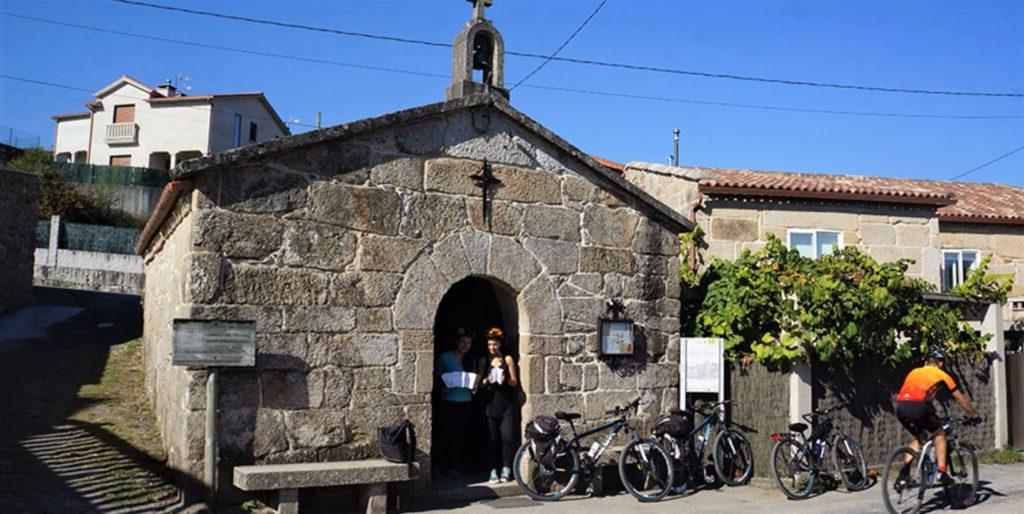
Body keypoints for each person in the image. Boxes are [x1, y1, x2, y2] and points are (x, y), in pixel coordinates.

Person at [894, 348, 980, 485]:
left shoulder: (914, 371)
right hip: (919, 406)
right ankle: (941, 472)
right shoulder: (942, 375)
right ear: (940, 363)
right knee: (939, 434)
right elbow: (960, 399)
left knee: (920, 436)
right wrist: (974, 415)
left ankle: (904, 473)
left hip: (900, 406)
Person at [477, 327, 520, 483]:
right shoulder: (484, 360)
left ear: (500, 344)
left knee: (507, 437)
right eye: (489, 345)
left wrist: (506, 378)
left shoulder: (507, 359)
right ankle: (493, 469)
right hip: (490, 403)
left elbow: (514, 383)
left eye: (494, 344)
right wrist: (487, 380)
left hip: (506, 404)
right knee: (492, 439)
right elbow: (479, 384)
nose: (492, 348)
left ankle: (507, 467)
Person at [435, 327, 476, 481]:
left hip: (465, 401)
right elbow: (436, 377)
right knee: (445, 435)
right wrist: (442, 388)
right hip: (448, 401)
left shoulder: (470, 360)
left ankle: (454, 467)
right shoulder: (445, 358)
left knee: (459, 437)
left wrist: (475, 387)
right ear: (457, 342)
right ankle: (438, 467)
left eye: (469, 342)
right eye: (463, 342)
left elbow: (475, 380)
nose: (465, 345)